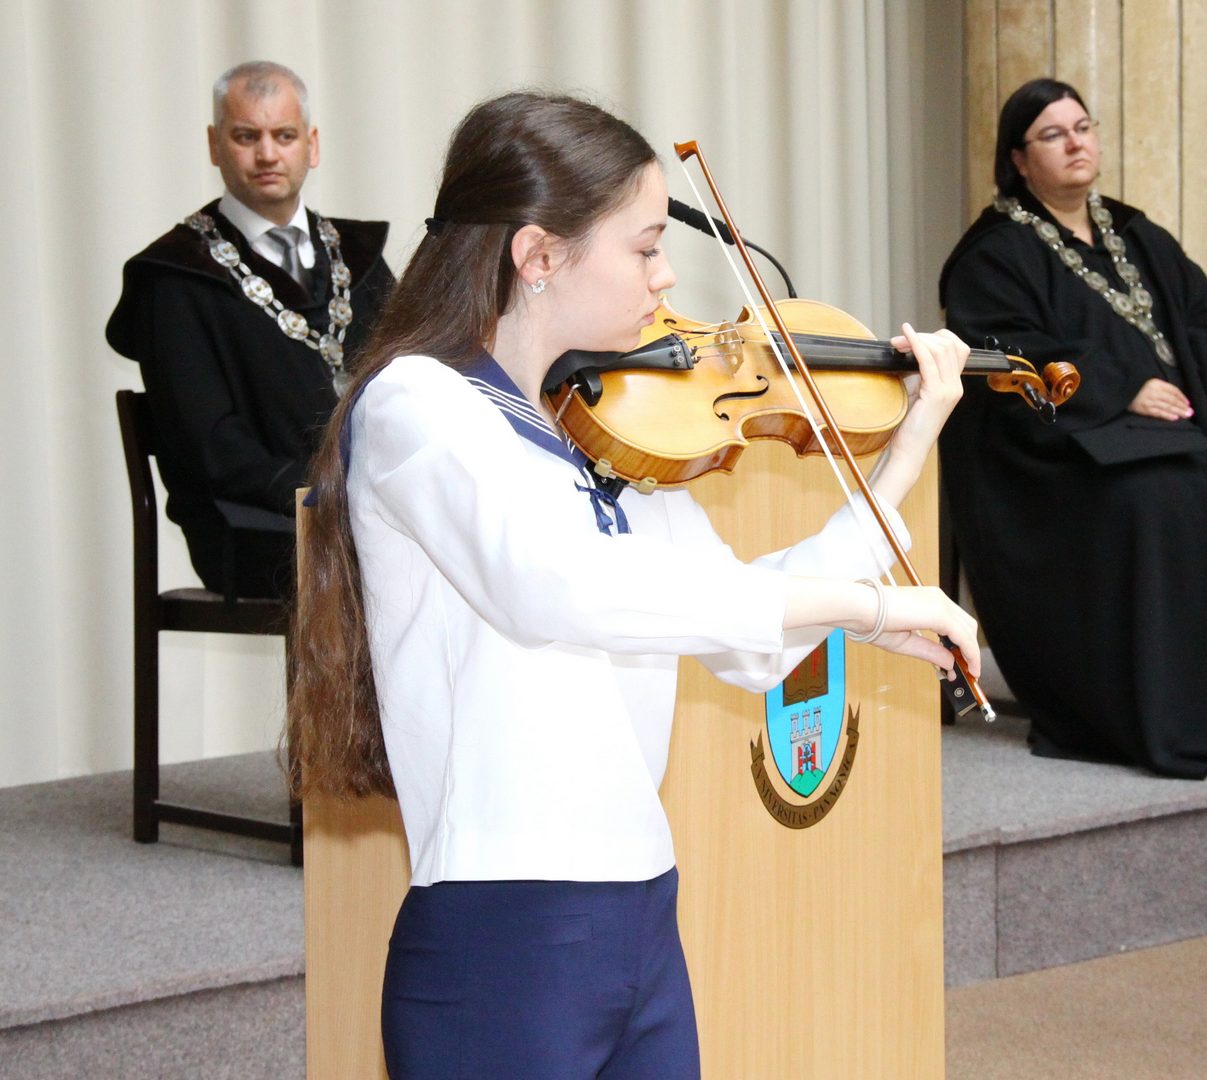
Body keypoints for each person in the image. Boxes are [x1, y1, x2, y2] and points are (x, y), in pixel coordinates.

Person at [288, 91, 978, 1080]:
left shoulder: (613, 430)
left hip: (643, 908)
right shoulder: (420, 406)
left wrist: (904, 455)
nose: (667, 278)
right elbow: (559, 589)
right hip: (505, 929)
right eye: (646, 247)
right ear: (539, 255)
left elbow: (749, 642)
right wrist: (869, 606)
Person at [936, 77, 1207, 780]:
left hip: (1180, 421)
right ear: (1018, 159)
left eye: (1083, 128)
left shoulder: (1137, 234)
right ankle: (1196, 714)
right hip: (1055, 447)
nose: (1076, 143)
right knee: (1168, 500)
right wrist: (1117, 390)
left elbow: (1204, 319)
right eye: (1053, 135)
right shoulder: (993, 254)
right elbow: (1003, 359)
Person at [107, 60, 394, 599]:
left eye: (284, 135)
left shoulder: (360, 260)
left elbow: (411, 385)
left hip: (363, 508)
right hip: (253, 523)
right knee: (413, 561)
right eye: (246, 136)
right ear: (215, 145)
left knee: (472, 539)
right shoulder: (176, 277)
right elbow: (210, 444)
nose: (267, 154)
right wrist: (325, 495)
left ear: (311, 145)